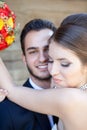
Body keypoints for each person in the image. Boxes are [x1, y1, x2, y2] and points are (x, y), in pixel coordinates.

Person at [0, 13, 87, 130]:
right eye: (51, 60)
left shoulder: (72, 99)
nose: (52, 71)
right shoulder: (8, 110)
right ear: (24, 58)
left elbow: (11, 89)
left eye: (64, 64)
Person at [0, 19, 58, 130]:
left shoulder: (75, 96)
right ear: (24, 59)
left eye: (47, 49)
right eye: (33, 52)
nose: (42, 58)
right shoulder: (7, 109)